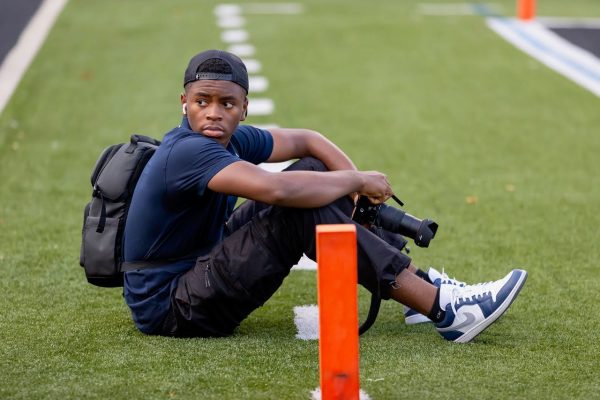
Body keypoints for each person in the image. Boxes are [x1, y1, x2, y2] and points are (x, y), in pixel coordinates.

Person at [122, 49, 527, 343]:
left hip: (197, 267)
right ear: (184, 104)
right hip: (173, 307)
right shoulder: (188, 149)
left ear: (243, 108)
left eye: (226, 103)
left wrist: (353, 184)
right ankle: (445, 309)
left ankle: (416, 287)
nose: (213, 113)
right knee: (297, 207)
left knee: (315, 172)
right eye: (201, 102)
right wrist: (356, 181)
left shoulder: (228, 135)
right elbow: (277, 189)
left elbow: (307, 140)